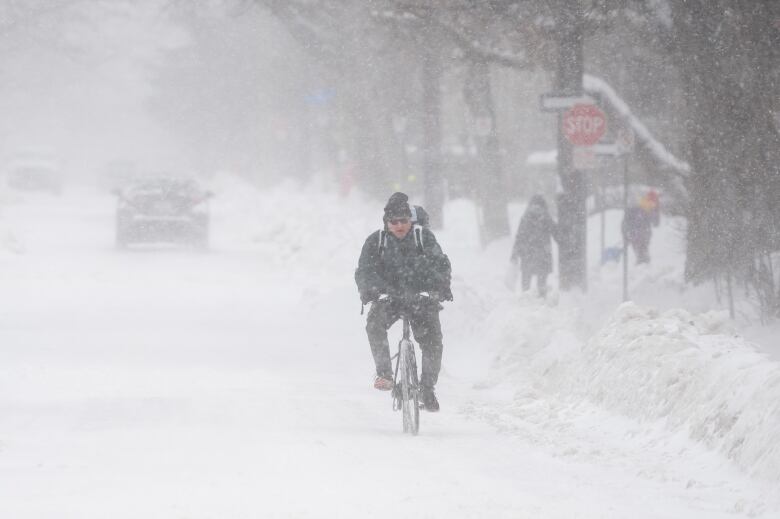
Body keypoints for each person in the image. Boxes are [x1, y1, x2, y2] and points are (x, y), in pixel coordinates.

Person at [355, 192, 452, 412]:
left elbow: (441, 264)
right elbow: (364, 271)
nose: (399, 225)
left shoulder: (423, 238)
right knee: (374, 324)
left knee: (433, 340)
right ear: (386, 223)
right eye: (394, 221)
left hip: (420, 298)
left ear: (411, 220)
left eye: (404, 221)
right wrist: (371, 291)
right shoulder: (376, 241)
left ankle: (427, 387)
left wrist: (439, 287)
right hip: (389, 299)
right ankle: (385, 373)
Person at [509, 195, 558, 297]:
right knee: (541, 282)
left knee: (526, 281)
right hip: (542, 254)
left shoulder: (526, 218)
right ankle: (541, 299)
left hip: (528, 254)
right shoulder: (546, 218)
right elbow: (556, 233)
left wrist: (515, 253)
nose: (536, 209)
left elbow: (519, 237)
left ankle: (526, 299)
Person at [622, 190, 660, 264]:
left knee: (640, 245)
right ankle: (643, 260)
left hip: (637, 230)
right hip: (640, 230)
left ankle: (642, 260)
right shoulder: (644, 207)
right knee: (641, 245)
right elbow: (655, 222)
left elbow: (654, 222)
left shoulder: (640, 207)